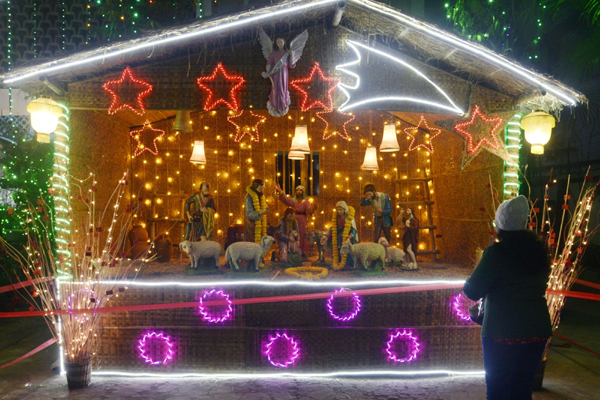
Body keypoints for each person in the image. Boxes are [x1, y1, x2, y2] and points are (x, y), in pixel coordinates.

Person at [463, 195, 552, 400]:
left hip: (502, 332)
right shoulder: (539, 251)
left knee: (498, 392)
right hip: (536, 330)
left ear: (500, 224)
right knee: (522, 391)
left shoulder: (495, 253)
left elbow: (472, 291)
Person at [274, 182, 313, 258]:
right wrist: (279, 190)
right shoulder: (293, 200)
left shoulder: (306, 202)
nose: (299, 192)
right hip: (293, 219)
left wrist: (313, 209)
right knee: (292, 234)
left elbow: (309, 210)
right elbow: (285, 199)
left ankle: (302, 252)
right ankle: (292, 251)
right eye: (297, 190)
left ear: (303, 192)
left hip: (302, 220)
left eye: (300, 190)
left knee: (302, 235)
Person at [321, 201, 358, 270]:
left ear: (345, 209)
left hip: (347, 237)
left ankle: (348, 264)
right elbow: (334, 229)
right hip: (338, 238)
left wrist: (349, 238)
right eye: (338, 210)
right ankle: (337, 263)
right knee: (337, 249)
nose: (339, 211)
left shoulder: (350, 218)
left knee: (347, 249)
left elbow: (353, 230)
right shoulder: (337, 218)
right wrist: (326, 237)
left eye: (341, 209)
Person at [244, 178, 269, 244]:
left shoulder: (260, 195)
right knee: (252, 244)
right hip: (252, 224)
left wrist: (265, 206)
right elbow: (249, 213)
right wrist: (260, 213)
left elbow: (260, 204)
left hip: (260, 224)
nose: (262, 190)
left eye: (263, 188)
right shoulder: (249, 196)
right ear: (255, 187)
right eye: (260, 188)